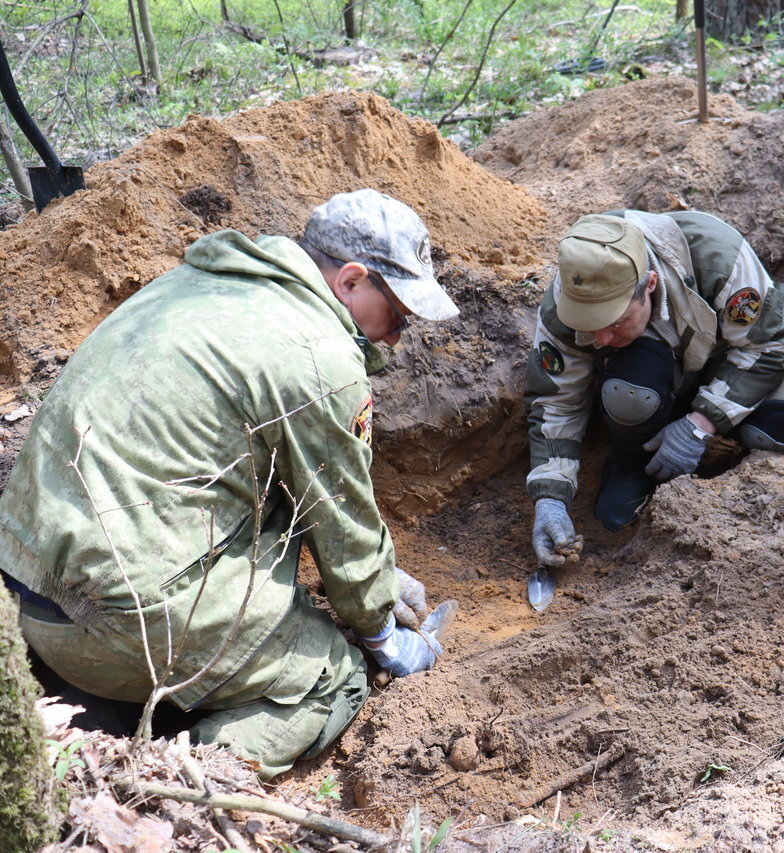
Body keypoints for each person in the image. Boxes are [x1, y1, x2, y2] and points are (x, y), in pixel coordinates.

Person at [0, 189, 459, 778]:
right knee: (331, 676)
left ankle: (111, 709)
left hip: (23, 593)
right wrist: (378, 633)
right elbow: (338, 513)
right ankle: (169, 782)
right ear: (350, 280)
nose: (395, 337)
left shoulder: (192, 286)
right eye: (396, 315)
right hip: (115, 625)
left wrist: (379, 576)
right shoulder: (318, 355)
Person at [526, 210, 784, 566]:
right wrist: (550, 498)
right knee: (629, 397)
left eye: (615, 322)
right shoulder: (566, 302)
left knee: (778, 424)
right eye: (591, 324)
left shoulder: (717, 256)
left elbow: (769, 345)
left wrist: (701, 424)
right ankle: (633, 464)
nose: (600, 338)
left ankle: (709, 433)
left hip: (732, 359)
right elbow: (556, 400)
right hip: (643, 377)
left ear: (648, 284)